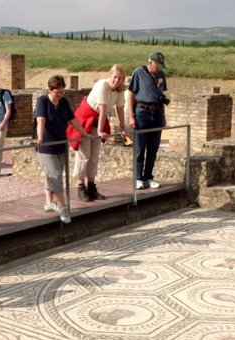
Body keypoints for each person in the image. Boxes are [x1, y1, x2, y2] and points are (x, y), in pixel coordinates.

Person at [68, 64, 128, 202]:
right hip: (85, 121)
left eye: (120, 78)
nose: (117, 80)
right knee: (84, 155)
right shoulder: (102, 85)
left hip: (98, 121)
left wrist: (122, 127)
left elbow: (120, 109)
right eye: (115, 77)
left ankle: (91, 187)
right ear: (110, 76)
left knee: (94, 155)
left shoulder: (120, 91)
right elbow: (102, 110)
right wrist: (101, 130)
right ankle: (80, 187)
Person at [34, 75, 88, 224]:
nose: (60, 95)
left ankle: (49, 203)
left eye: (62, 92)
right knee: (55, 175)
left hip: (61, 144)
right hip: (46, 146)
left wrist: (84, 133)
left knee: (55, 175)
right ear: (50, 90)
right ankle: (63, 208)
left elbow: (72, 119)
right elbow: (41, 120)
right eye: (57, 92)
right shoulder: (42, 101)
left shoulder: (63, 102)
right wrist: (39, 138)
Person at [127, 52, 168, 190]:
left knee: (153, 147)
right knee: (140, 147)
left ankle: (148, 177)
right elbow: (131, 95)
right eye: (157, 66)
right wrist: (131, 116)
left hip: (156, 113)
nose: (159, 69)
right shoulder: (138, 72)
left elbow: (162, 97)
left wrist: (163, 115)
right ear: (150, 62)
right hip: (142, 112)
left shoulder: (161, 75)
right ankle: (138, 178)